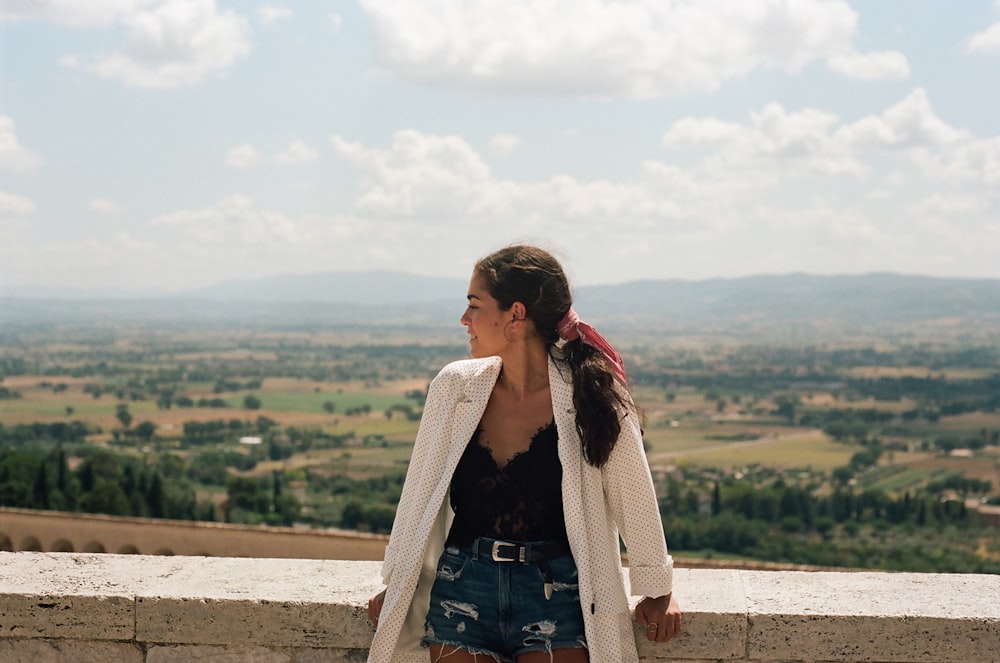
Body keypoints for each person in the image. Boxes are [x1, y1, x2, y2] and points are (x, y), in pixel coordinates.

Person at [366, 245, 681, 662]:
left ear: (515, 315)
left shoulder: (590, 392)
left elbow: (633, 494)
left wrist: (657, 590)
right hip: (461, 586)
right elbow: (418, 495)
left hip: (558, 596)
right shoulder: (454, 387)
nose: (464, 320)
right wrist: (399, 583)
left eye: (474, 306)